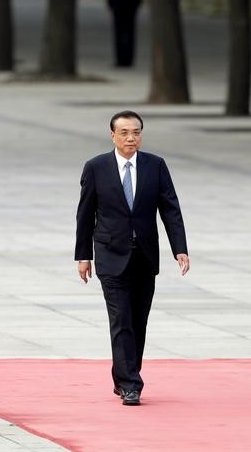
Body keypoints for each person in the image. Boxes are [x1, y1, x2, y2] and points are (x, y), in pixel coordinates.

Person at [75, 111, 190, 406]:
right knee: (121, 318)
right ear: (112, 135)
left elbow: (170, 209)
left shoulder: (155, 165)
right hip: (110, 255)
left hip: (145, 256)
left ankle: (124, 374)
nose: (131, 138)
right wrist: (83, 255)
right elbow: (85, 214)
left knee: (138, 320)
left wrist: (180, 248)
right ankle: (130, 384)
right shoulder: (96, 167)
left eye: (136, 132)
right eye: (124, 132)